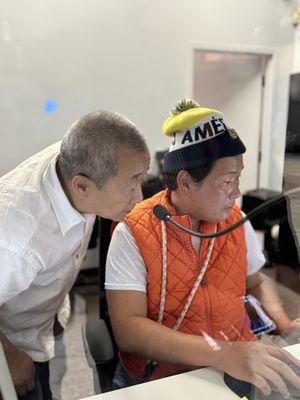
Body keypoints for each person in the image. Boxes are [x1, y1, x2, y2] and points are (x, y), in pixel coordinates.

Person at [105, 99, 300, 397]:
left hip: (231, 367)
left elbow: (256, 281)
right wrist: (222, 352)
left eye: (238, 178)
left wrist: (285, 324)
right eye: (227, 181)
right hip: (162, 377)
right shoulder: (132, 231)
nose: (236, 193)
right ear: (185, 182)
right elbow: (128, 329)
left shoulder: (235, 219)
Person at [0, 109, 150, 399]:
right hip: (13, 340)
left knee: (50, 381)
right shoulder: (17, 238)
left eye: (141, 178)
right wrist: (11, 357)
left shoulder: (78, 157)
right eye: (131, 183)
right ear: (81, 186)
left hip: (48, 314)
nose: (138, 196)